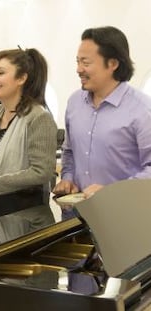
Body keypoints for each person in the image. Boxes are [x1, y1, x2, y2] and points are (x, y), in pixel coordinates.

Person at [53, 26, 151, 218]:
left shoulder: (142, 109)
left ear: (112, 63)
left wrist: (111, 192)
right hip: (76, 218)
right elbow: (69, 152)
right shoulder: (74, 103)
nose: (79, 69)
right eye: (78, 62)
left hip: (125, 217)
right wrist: (68, 178)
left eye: (86, 63)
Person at [0, 48, 57, 246]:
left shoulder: (39, 118)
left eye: (0, 72)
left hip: (29, 224)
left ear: (22, 78)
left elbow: (41, 172)